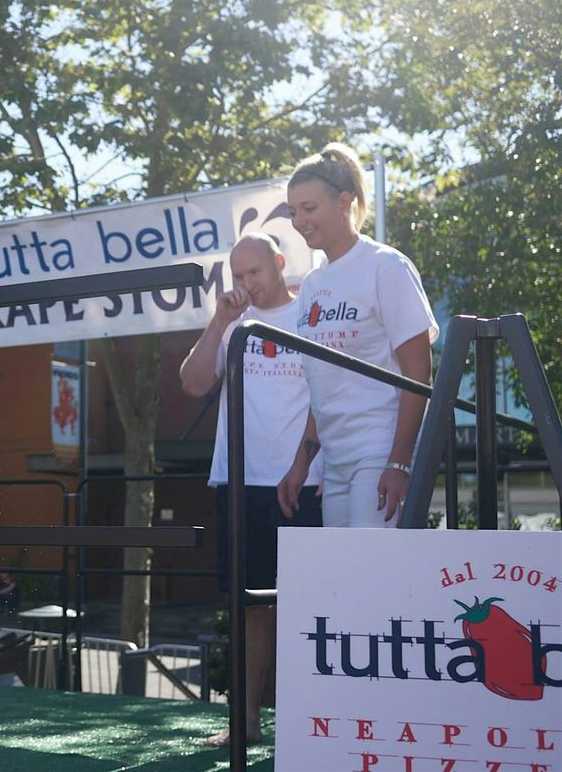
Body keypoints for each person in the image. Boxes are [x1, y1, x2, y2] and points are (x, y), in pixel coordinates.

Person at [179, 233, 324, 747]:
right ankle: (246, 724)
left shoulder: (312, 313)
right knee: (249, 607)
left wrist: (302, 461)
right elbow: (193, 383)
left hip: (300, 484)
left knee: (306, 607)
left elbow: (327, 395)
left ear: (280, 264)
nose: (245, 285)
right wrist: (220, 320)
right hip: (240, 481)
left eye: (254, 272)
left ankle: (308, 724)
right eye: (238, 275)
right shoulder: (232, 323)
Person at [278, 143, 438, 528]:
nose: (299, 221)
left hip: (380, 449)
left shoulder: (386, 266)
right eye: (293, 211)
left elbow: (419, 372)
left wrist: (399, 462)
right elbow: (323, 384)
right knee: (344, 583)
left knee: (375, 578)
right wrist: (301, 461)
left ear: (344, 202)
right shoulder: (313, 284)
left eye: (309, 208)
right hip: (335, 458)